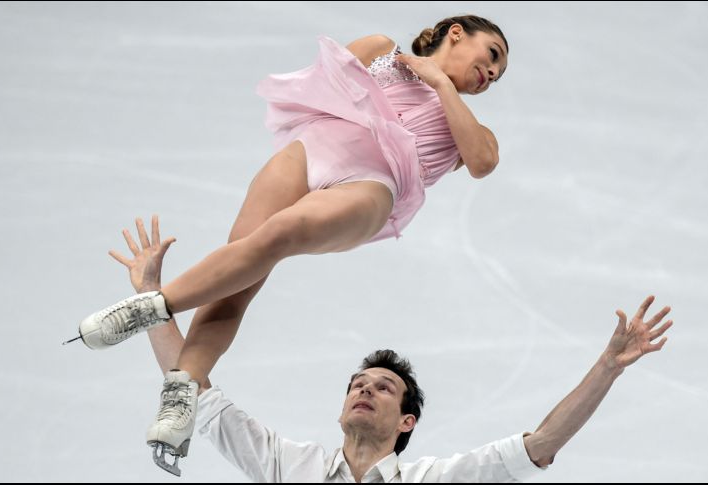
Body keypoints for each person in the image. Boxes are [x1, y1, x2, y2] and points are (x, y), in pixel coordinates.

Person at [69, 15, 512, 466]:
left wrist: (438, 80)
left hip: (371, 184)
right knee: (238, 276)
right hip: (316, 149)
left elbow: (481, 162)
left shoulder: (473, 132)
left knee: (280, 233)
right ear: (456, 32)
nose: (492, 73)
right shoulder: (383, 48)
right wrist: (413, 70)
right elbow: (327, 88)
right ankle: (179, 398)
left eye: (498, 74)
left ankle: (150, 308)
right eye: (492, 54)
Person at [113, 217, 674, 479]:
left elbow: (542, 443)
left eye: (383, 388)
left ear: (406, 422)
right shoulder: (288, 464)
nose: (365, 389)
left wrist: (606, 368)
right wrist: (149, 300)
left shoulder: (438, 479)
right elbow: (192, 391)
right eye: (359, 383)